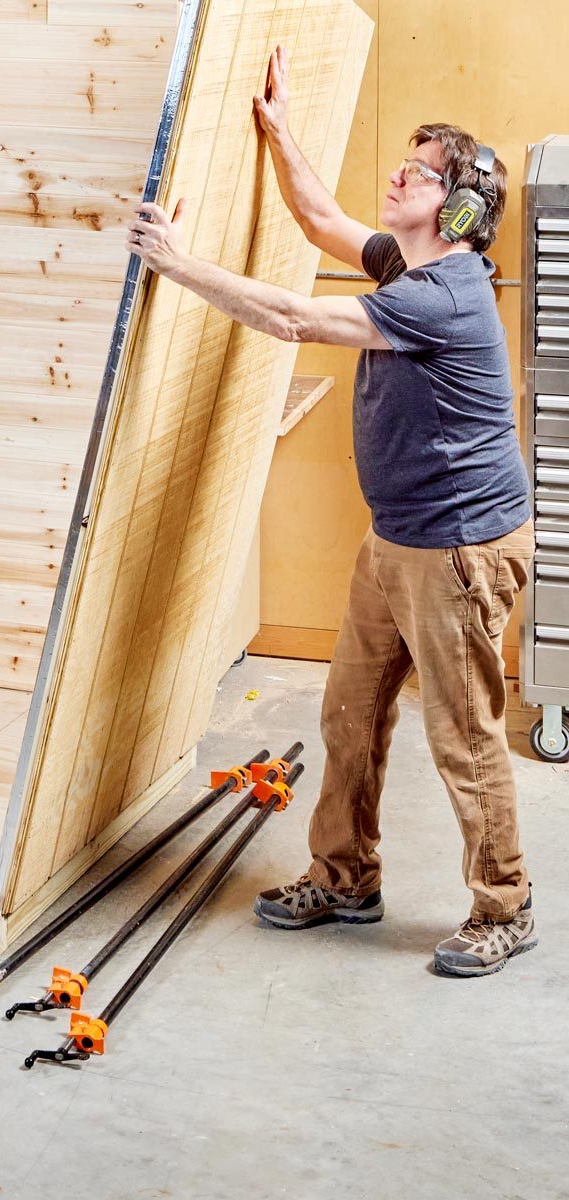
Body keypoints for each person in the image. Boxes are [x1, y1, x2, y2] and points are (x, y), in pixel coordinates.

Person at [126, 45, 535, 977]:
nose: (399, 172)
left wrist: (178, 264)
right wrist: (277, 127)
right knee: (350, 715)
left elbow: (296, 319)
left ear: (462, 209)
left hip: (459, 550)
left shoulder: (446, 297)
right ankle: (345, 876)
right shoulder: (402, 266)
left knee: (464, 736)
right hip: (397, 538)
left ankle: (504, 906)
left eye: (421, 170)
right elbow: (319, 218)